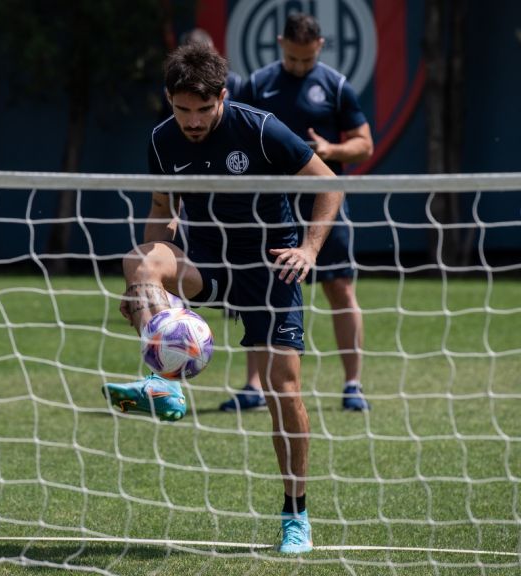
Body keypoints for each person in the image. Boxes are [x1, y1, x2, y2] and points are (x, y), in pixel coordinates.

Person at [102, 42, 343, 553]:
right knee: (136, 261)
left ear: (222, 98)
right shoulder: (163, 140)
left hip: (268, 267)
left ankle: (294, 515)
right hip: (207, 263)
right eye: (181, 109)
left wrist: (309, 248)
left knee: (284, 389)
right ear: (169, 100)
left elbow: (330, 182)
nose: (191, 121)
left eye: (203, 110)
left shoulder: (259, 128)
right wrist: (145, 288)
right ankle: (164, 381)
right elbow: (163, 209)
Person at [219, 12, 374, 414]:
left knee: (340, 289)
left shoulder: (336, 86)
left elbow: (364, 144)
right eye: (292, 59)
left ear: (320, 46)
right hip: (268, 208)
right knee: (260, 296)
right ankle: (253, 386)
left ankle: (353, 385)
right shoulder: (258, 84)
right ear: (279, 44)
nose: (300, 66)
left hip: (323, 203)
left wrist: (331, 152)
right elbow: (237, 135)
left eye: (306, 60)